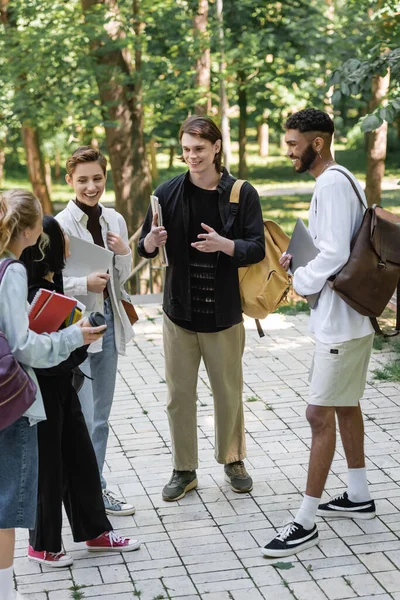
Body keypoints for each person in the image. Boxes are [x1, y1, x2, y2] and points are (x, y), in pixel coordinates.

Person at [262, 108, 375, 558]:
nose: (287, 151)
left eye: (293, 143)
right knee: (346, 405)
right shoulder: (342, 177)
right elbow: (334, 248)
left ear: (318, 143)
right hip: (351, 317)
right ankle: (359, 494)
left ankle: (304, 522)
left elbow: (332, 252)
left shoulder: (330, 183)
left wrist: (301, 280)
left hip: (341, 320)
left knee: (318, 414)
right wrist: (302, 261)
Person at [138, 116, 265, 502]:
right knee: (179, 395)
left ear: (215, 148)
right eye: (186, 149)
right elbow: (145, 247)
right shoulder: (166, 192)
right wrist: (150, 241)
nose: (192, 156)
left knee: (228, 392)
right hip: (179, 311)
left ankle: (233, 460)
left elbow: (257, 247)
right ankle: (184, 469)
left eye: (199, 149)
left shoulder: (242, 194)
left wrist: (224, 245)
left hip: (224, 312)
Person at [0, 190, 105, 600]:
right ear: (28, 230)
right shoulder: (11, 271)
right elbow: (24, 346)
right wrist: (71, 336)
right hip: (11, 400)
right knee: (7, 506)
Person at [20, 216, 141, 568]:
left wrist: (78, 337)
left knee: (80, 457)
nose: (70, 246)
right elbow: (37, 351)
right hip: (38, 391)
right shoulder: (26, 289)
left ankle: (95, 532)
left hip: (62, 383)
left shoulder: (53, 280)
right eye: (64, 241)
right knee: (49, 467)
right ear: (49, 248)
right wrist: (78, 339)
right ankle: (42, 544)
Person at [56, 146, 135, 516]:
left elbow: (122, 279)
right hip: (76, 329)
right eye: (83, 180)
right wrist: (82, 282)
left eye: (97, 179)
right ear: (69, 180)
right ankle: (77, 492)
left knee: (101, 416)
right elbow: (51, 283)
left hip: (109, 323)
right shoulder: (58, 225)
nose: (91, 187)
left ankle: (96, 489)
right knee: (82, 416)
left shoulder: (115, 220)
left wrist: (123, 253)